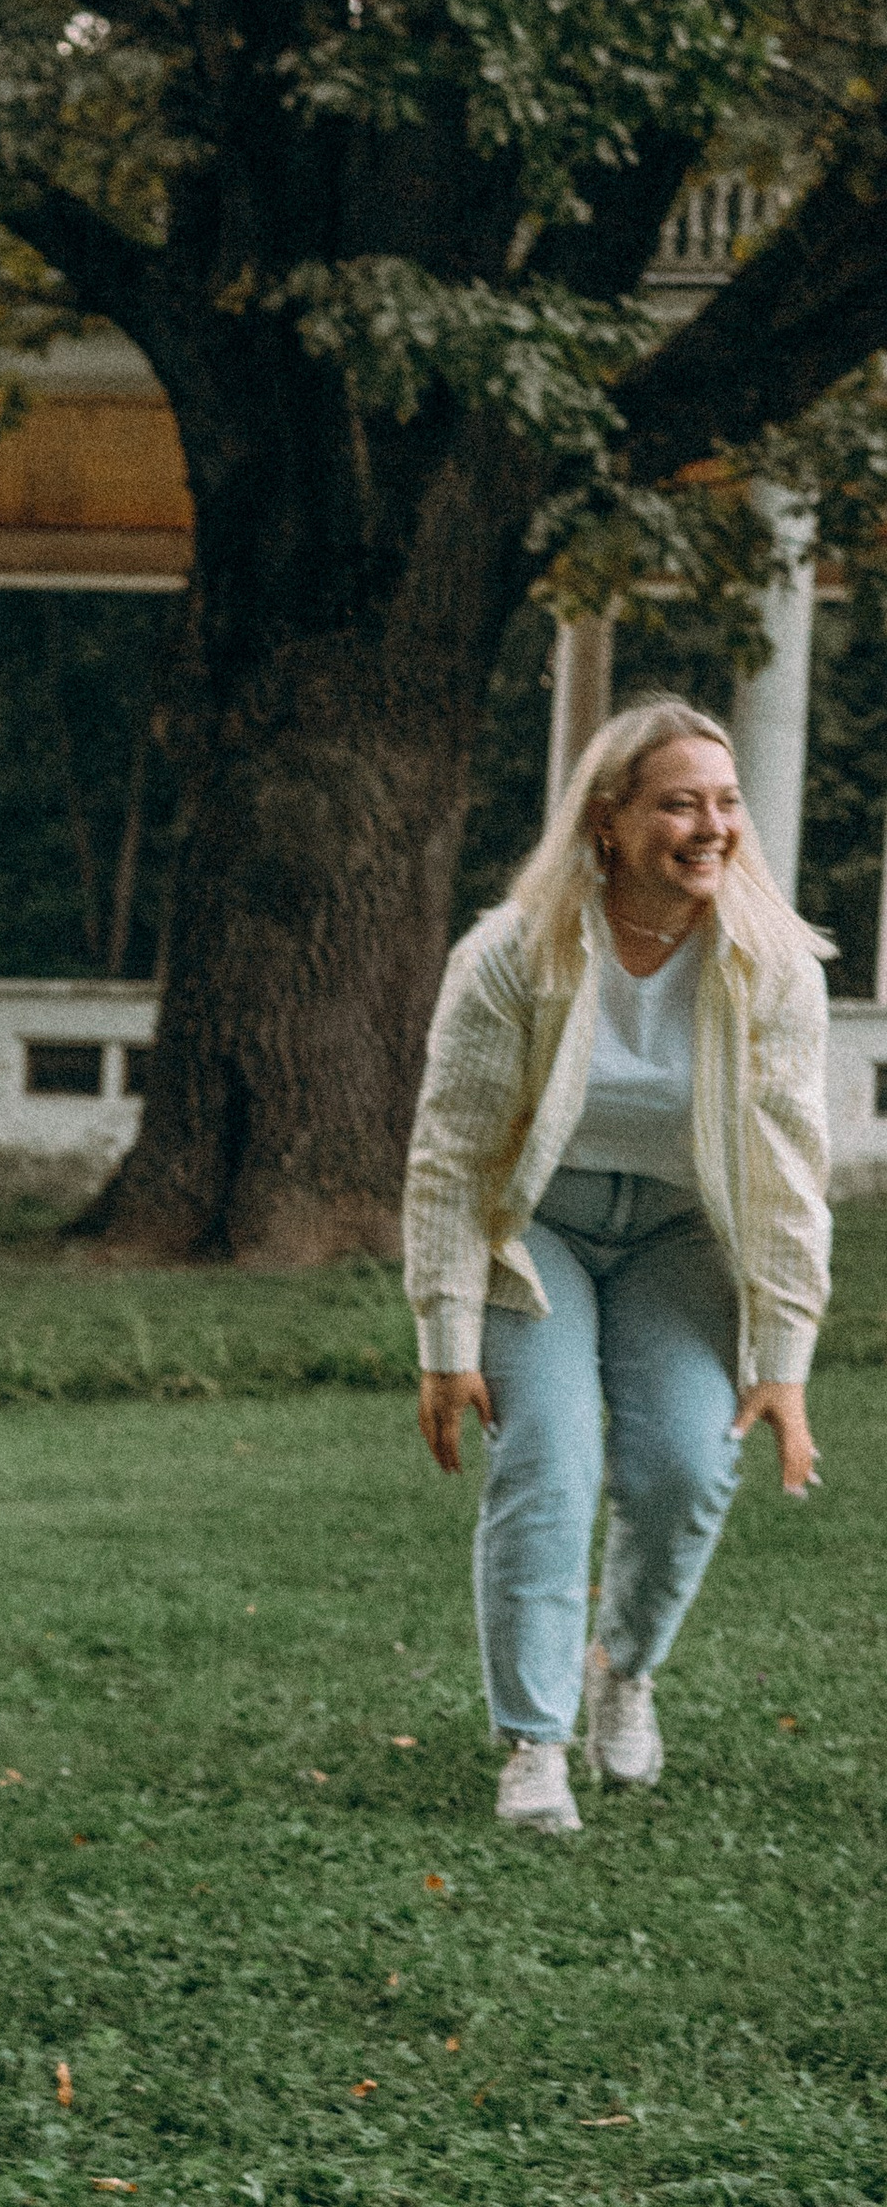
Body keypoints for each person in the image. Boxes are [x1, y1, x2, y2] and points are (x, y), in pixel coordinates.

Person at [403, 696, 831, 1837]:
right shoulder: (511, 953)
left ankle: (622, 1673)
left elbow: (788, 1173)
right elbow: (450, 1156)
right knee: (545, 1461)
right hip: (536, 1225)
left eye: (726, 802)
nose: (711, 826)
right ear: (607, 820)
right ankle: (533, 1743)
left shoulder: (773, 964)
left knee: (688, 1466)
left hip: (683, 1233)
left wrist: (783, 1359)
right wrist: (445, 1345)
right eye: (678, 803)